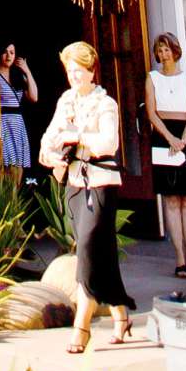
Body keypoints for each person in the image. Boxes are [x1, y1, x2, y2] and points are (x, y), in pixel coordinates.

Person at [38, 39, 136, 354]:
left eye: (80, 71)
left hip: (101, 184)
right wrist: (50, 154)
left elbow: (108, 143)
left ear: (92, 72)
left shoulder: (105, 104)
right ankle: (121, 315)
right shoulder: (65, 101)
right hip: (75, 185)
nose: (75, 76)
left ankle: (82, 325)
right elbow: (50, 136)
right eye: (70, 71)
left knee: (89, 248)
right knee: (99, 252)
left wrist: (77, 137)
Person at [145, 32, 186, 276]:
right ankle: (179, 259)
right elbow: (152, 112)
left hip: (185, 136)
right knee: (170, 199)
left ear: (175, 51)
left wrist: (183, 141)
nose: (163, 54)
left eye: (167, 49)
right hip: (163, 135)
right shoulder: (153, 78)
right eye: (160, 50)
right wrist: (169, 138)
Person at [0, 41, 38, 174]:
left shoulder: (17, 76)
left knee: (18, 168)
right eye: (5, 52)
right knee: (5, 165)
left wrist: (27, 71)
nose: (8, 56)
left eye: (12, 53)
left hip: (18, 125)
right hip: (2, 123)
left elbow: (34, 97)